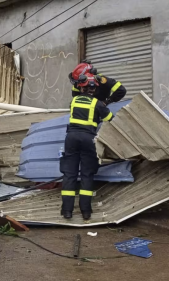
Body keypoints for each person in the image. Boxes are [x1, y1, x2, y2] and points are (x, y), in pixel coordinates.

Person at [61, 66, 114, 221]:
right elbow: (110, 118)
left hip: (71, 138)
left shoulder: (74, 101)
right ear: (94, 89)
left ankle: (67, 211)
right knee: (87, 174)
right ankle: (86, 212)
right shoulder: (98, 104)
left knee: (69, 174)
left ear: (81, 87)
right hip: (88, 139)